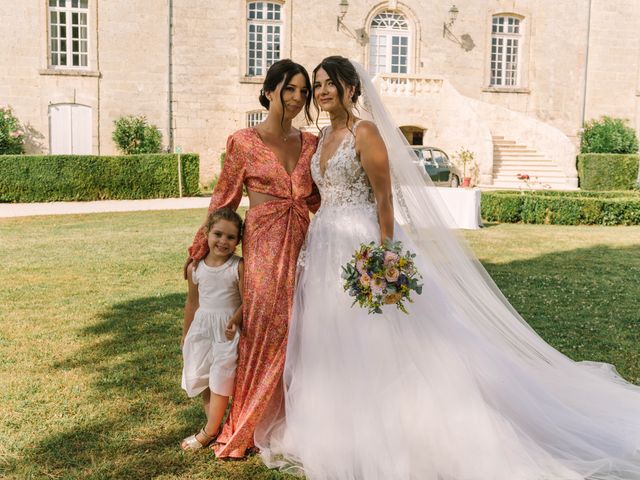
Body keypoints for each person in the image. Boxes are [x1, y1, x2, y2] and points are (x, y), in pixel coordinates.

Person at [257, 56, 640, 480]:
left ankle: (388, 425)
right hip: (323, 242)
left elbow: (385, 201)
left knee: (376, 336)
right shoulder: (322, 135)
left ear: (351, 87)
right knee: (325, 332)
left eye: (330, 83)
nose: (322, 91)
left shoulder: (366, 132)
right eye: (318, 84)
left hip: (361, 244)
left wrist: (385, 260)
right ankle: (332, 423)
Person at [185, 59, 320, 458]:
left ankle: (290, 414)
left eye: (304, 92)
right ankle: (243, 421)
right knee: (262, 331)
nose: (297, 98)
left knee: (299, 328)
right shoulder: (243, 141)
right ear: (270, 90)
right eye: (290, 89)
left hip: (304, 244)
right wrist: (198, 249)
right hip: (262, 247)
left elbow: (318, 200)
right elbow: (223, 198)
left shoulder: (310, 143)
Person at [180, 208, 244, 450]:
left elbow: (248, 299)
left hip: (226, 331)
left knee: (220, 379)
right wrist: (186, 333)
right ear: (207, 233)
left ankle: (207, 433)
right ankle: (214, 426)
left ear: (238, 241)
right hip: (203, 329)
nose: (223, 241)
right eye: (218, 234)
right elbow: (192, 303)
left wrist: (236, 319)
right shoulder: (195, 269)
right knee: (206, 378)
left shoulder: (237, 267)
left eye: (231, 237)